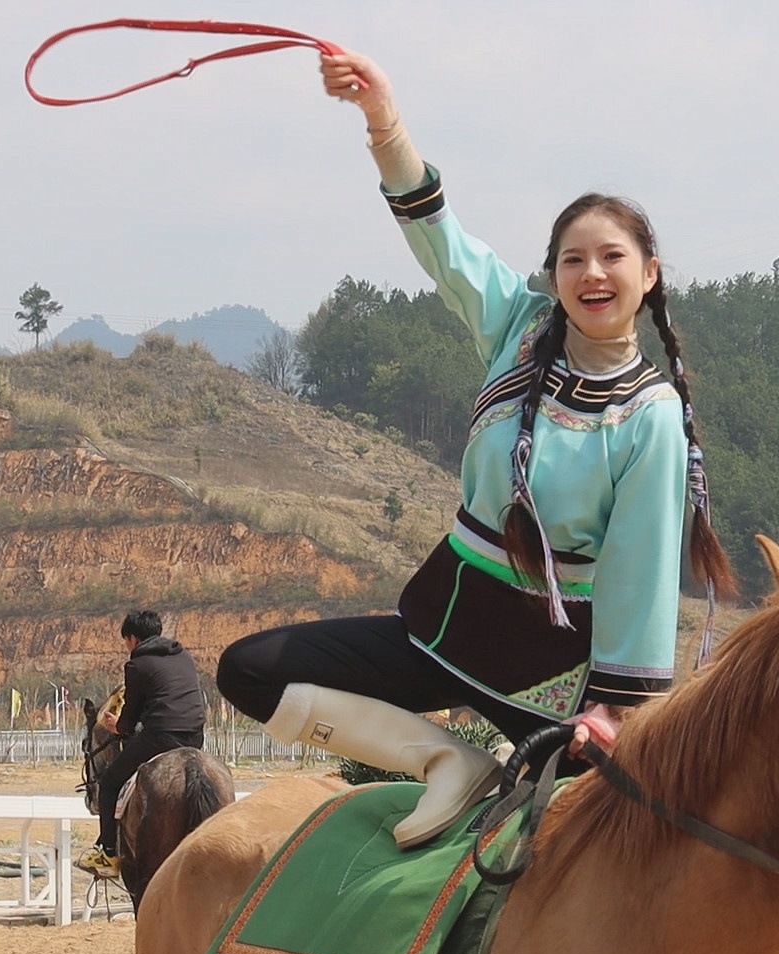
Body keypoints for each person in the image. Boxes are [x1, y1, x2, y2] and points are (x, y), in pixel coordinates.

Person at [215, 48, 733, 850]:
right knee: (249, 669)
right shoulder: (520, 331)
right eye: (572, 259)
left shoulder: (650, 416)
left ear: (650, 274)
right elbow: (439, 239)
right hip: (445, 621)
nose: (591, 273)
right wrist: (382, 117)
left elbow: (638, 571)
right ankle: (446, 765)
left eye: (611, 257)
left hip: (548, 675)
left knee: (600, 858)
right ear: (552, 276)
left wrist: (613, 709)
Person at [77, 610, 207, 876]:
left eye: (126, 641)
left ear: (133, 639)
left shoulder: (137, 665)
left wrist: (118, 727)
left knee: (111, 780)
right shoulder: (183, 655)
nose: (127, 647)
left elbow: (130, 716)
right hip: (195, 735)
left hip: (161, 736)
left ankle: (108, 853)